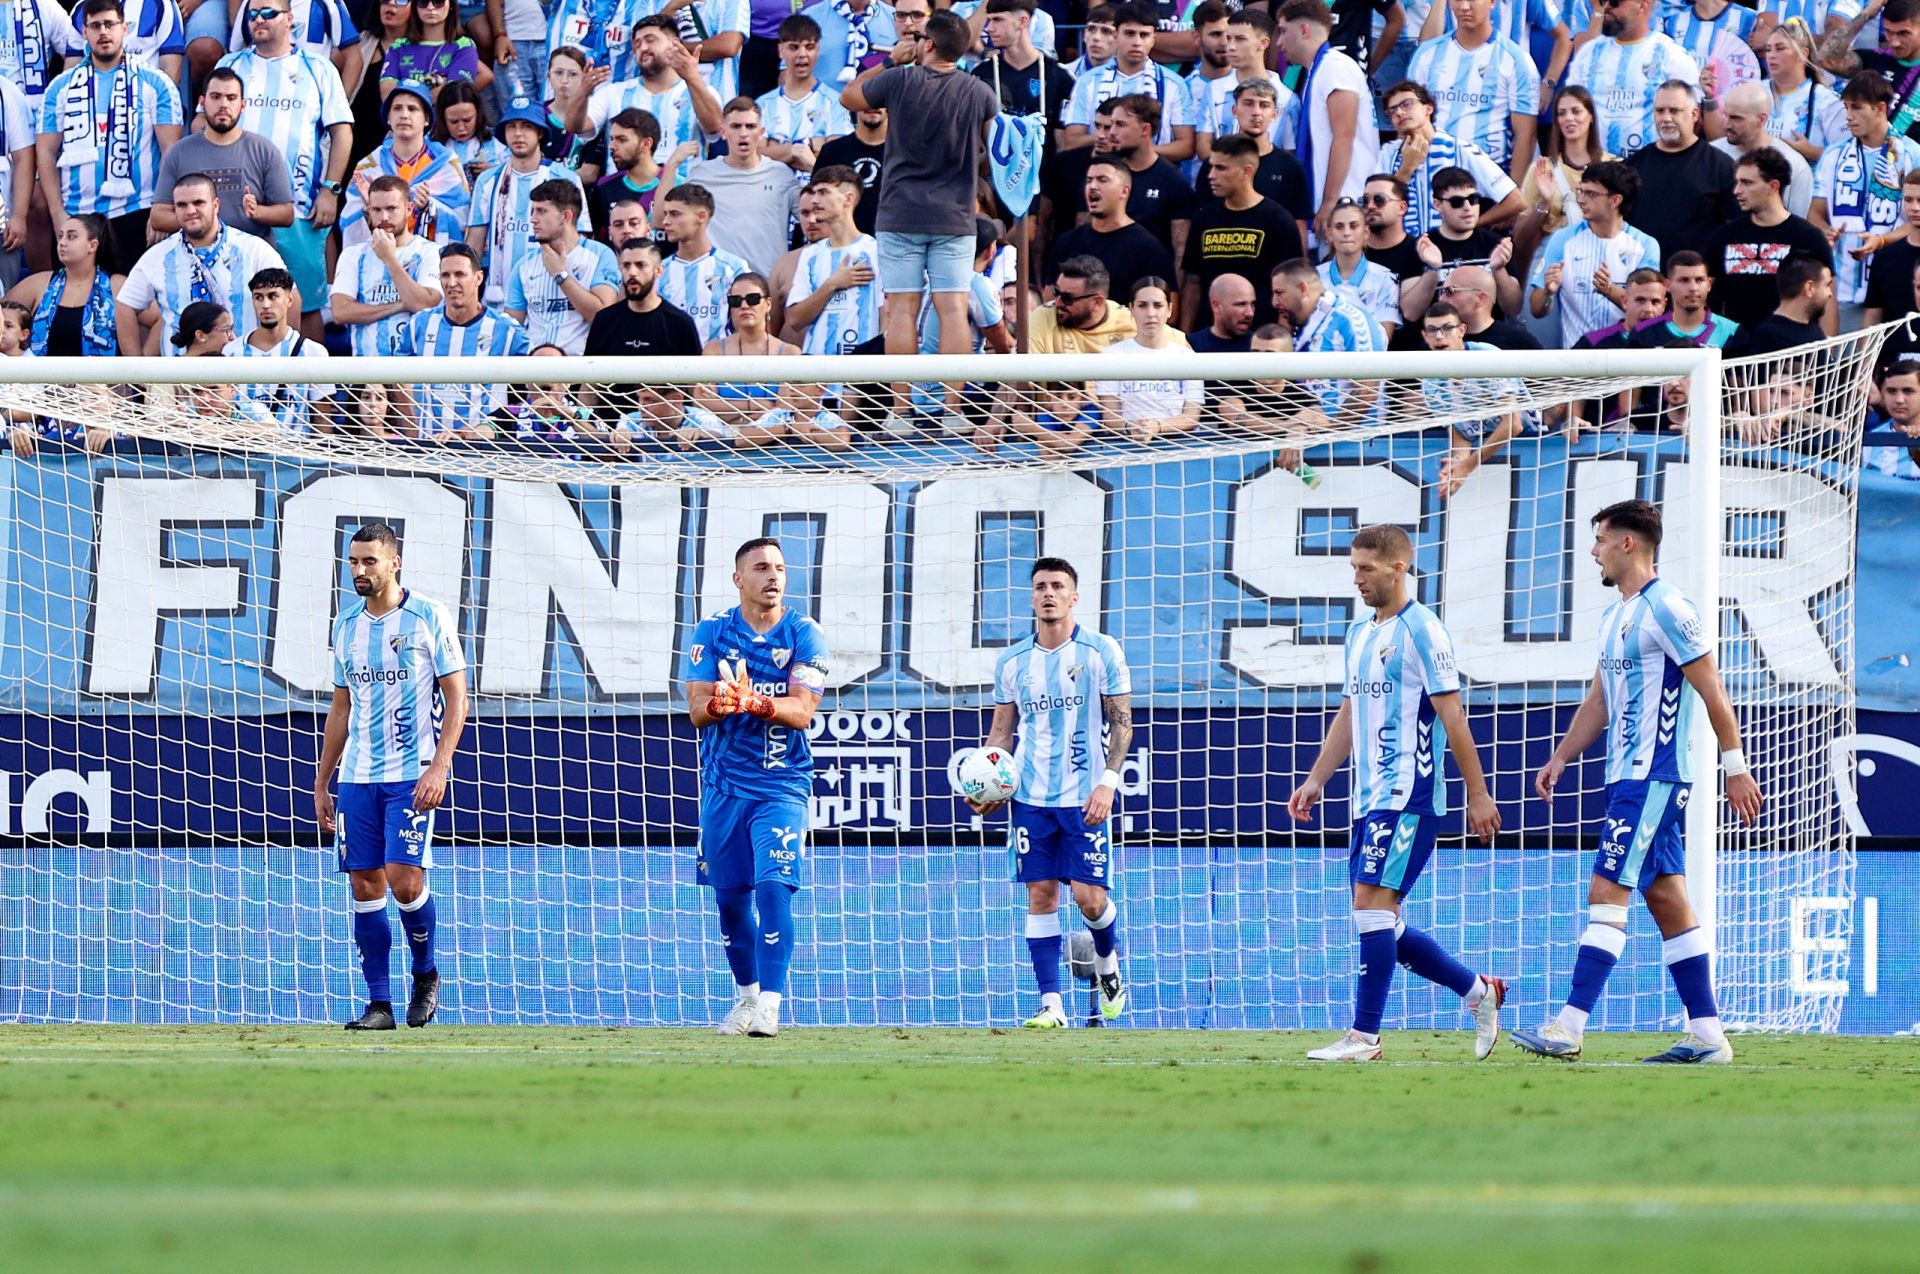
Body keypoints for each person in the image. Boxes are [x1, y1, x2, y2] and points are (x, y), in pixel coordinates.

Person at [1514, 499, 1762, 1065]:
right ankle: (1708, 1038)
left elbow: (1713, 689)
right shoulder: (1613, 616)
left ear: (1628, 544)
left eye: (1600, 539)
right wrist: (1561, 758)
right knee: (1668, 899)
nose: (1593, 550)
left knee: (1607, 892)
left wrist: (1736, 767)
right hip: (1627, 776)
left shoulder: (1670, 608)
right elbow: (1598, 701)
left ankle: (1569, 1027)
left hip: (1655, 775)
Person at [1287, 521, 1504, 1062]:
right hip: (1367, 797)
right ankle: (1478, 991)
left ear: (1398, 568)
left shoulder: (1424, 631)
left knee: (1370, 908)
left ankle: (1365, 1037)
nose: (1356, 579)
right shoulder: (1360, 633)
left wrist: (1478, 793)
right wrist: (1317, 777)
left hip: (1409, 794)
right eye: (1353, 568)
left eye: (1366, 568)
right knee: (1381, 918)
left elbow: (1453, 717)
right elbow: (1351, 711)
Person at [313, 521, 471, 1033]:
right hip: (358, 776)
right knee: (364, 883)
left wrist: (440, 765)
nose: (359, 570)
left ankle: (425, 974)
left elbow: (458, 698)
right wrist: (322, 782)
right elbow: (340, 709)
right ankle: (378, 1004)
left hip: (412, 771)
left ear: (394, 562)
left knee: (404, 880)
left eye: (370, 561)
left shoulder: (428, 616)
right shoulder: (345, 624)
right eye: (354, 561)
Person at [964, 557, 1133, 1029]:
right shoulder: (1013, 661)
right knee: (1041, 895)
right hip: (1031, 799)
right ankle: (1051, 1005)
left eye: (1058, 586)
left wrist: (1108, 783)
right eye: (1040, 587)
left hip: (1085, 797)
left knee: (1090, 899)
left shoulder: (1101, 651)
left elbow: (1122, 724)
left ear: (1074, 596)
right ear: (1032, 597)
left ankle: (1108, 963)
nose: (1049, 594)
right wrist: (986, 781)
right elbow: (1001, 734)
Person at [684, 537, 831, 1039]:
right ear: (738, 579)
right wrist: (724, 704)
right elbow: (697, 710)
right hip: (722, 788)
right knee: (729, 901)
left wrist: (755, 703)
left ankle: (770, 1004)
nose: (773, 576)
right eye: (762, 567)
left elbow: (802, 712)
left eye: (780, 568)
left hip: (781, 785)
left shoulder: (805, 634)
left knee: (773, 888)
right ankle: (746, 999)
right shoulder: (712, 632)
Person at [843, 9, 999, 429]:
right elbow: (992, 142)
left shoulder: (899, 79)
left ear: (927, 44)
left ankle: (901, 411)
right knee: (952, 308)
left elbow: (849, 97)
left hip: (900, 213)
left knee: (901, 311)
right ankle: (951, 411)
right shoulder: (980, 91)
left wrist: (893, 59)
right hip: (955, 214)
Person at [216, 0, 354, 341]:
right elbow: (203, 124)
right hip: (235, 210)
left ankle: (313, 393)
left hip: (299, 208)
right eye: (252, 14)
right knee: (239, 302)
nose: (258, 20)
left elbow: (342, 132)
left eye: (268, 13)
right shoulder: (230, 64)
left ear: (290, 20)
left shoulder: (319, 68)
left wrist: (330, 190)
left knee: (304, 304)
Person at [35, 0, 183, 252]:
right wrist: (57, 213)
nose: (103, 32)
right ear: (84, 33)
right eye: (95, 26)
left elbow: (171, 150)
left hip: (139, 211)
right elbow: (46, 153)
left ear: (125, 29)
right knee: (75, 292)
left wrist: (162, 209)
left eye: (110, 24)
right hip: (76, 214)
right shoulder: (58, 88)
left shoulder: (157, 84)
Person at [116, 172, 285, 356]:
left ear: (216, 205)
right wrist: (135, 371)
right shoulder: (158, 256)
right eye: (181, 205)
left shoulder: (253, 249)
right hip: (180, 380)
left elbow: (289, 297)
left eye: (198, 203)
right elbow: (125, 305)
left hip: (244, 376)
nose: (190, 211)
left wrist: (279, 355)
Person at [396, 242, 532, 439]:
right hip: (429, 449)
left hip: (485, 451)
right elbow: (399, 378)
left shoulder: (507, 330)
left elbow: (530, 387)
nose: (451, 283)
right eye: (445, 275)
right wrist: (411, 430)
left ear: (478, 277)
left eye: (460, 274)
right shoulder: (420, 324)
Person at [1810, 74, 1920, 314]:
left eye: (1857, 108)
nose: (1848, 116)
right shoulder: (1833, 155)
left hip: (1900, 282)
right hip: (1845, 288)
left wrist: (1881, 241)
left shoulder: (1912, 154)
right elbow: (1815, 212)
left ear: (1880, 108)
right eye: (1846, 107)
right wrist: (1826, 230)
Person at [467, 98, 592, 308]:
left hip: (550, 298)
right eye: (511, 127)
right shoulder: (488, 180)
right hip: (498, 299)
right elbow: (474, 245)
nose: (518, 133)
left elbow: (581, 241)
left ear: (540, 133)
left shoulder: (565, 178)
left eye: (526, 126)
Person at [692, 271, 837, 448]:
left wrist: (729, 408)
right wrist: (755, 404)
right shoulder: (713, 350)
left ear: (768, 304)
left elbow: (786, 409)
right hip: (722, 440)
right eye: (736, 301)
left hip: (775, 444)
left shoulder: (789, 353)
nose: (744, 306)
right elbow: (702, 403)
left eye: (752, 299)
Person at [1527, 160, 1662, 348]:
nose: (1581, 200)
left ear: (1616, 200)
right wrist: (1549, 293)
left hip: (1630, 359)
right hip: (1577, 362)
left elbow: (1649, 311)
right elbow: (1536, 309)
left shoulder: (1645, 245)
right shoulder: (1561, 240)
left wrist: (1608, 290)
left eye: (1590, 193)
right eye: (1580, 191)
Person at [580, 236, 703, 441]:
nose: (632, 273)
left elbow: (693, 390)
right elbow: (589, 385)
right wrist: (587, 433)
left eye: (640, 265)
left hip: (666, 442)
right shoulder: (605, 320)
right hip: (612, 438)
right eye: (626, 265)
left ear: (658, 270)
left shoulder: (679, 324)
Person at [1044, 96, 1195, 262]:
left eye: (1120, 125)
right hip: (1098, 277)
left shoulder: (1173, 181)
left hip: (1149, 281)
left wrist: (1174, 288)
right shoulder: (1100, 172)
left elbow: (1180, 248)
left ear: (1145, 130)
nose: (1112, 132)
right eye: (1112, 124)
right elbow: (1083, 233)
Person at [1405, 0, 1539, 187]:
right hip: (1431, 174)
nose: (1464, 7)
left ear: (1492, 2)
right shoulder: (1426, 54)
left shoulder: (1517, 60)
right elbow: (1408, 122)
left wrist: (1512, 194)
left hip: (1489, 179)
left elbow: (1526, 134)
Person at [150, 68, 295, 241]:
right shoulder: (179, 152)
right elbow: (158, 217)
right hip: (195, 257)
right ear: (202, 102)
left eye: (231, 98)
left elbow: (287, 214)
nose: (224, 105)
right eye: (215, 97)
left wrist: (258, 211)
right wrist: (200, 220)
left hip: (252, 257)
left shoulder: (265, 150)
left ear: (243, 104)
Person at [1276, 0, 1380, 238]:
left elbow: (1343, 135)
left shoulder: (1335, 67)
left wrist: (1330, 200)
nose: (1279, 42)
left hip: (1346, 200)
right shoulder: (1320, 68)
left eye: (1283, 31)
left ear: (1303, 30)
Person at [574, 16, 723, 180]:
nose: (642, 47)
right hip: (624, 199)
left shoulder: (701, 91)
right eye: (637, 44)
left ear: (674, 44)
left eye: (650, 40)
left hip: (682, 197)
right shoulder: (614, 93)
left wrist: (693, 78)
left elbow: (715, 128)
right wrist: (582, 93)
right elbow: (577, 127)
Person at [1181, 134, 1303, 330]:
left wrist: (1281, 342)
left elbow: (1289, 290)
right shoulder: (1204, 218)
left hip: (1258, 339)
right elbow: (1193, 281)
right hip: (1208, 338)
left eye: (1221, 168)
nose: (1211, 175)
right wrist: (1184, 339)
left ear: (1246, 171)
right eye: (1211, 166)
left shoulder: (1279, 221)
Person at [1702, 148, 1832, 330]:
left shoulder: (1808, 237)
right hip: (1736, 348)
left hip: (1788, 350)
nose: (1737, 190)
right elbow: (1706, 292)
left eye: (1747, 183)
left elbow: (1826, 297)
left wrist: (1828, 349)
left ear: (1773, 186)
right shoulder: (1724, 236)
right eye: (1737, 182)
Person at [341, 79, 473, 246]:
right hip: (379, 259)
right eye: (397, 108)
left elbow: (464, 219)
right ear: (388, 117)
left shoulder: (446, 163)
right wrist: (370, 207)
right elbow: (349, 224)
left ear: (426, 118)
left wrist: (430, 206)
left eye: (412, 109)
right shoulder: (369, 167)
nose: (404, 115)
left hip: (432, 264)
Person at [1379, 81, 1522, 235]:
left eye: (1406, 104)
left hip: (1449, 254)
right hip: (1404, 252)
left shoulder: (1461, 150)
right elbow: (1377, 207)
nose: (1399, 113)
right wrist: (1406, 169)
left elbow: (1515, 201)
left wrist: (1467, 229)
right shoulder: (1388, 153)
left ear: (1428, 108)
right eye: (1392, 111)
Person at [1562, 0, 1701, 158]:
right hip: (1594, 171)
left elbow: (1690, 121)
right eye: (1603, 1)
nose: (1606, 6)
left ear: (1642, 6)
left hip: (1650, 169)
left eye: (1615, 2)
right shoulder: (1588, 53)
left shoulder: (1673, 56)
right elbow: (1568, 108)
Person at [1062, 2, 1196, 162]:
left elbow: (1186, 146)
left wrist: (1139, 149)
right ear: (1116, 35)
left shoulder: (1174, 84)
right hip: (1101, 171)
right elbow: (1072, 141)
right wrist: (1112, 141)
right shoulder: (1088, 81)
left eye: (1144, 35)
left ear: (1153, 39)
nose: (1137, 42)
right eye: (1129, 33)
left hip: (1154, 177)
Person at [332, 173, 444, 360]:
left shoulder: (430, 252)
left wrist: (390, 259)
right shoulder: (353, 254)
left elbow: (425, 305)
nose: (384, 217)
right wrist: (401, 305)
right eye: (376, 210)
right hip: (366, 374)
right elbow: (341, 312)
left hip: (417, 372)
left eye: (392, 209)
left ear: (409, 209)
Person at [1624, 80, 1737, 266]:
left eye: (1674, 111)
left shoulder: (1721, 167)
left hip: (1695, 285)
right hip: (1643, 282)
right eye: (1660, 111)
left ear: (1694, 114)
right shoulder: (1633, 166)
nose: (1666, 118)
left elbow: (1735, 229)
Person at [686, 98, 803, 274]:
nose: (743, 133)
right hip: (716, 284)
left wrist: (814, 166)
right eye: (735, 126)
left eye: (750, 126)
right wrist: (672, 166)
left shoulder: (781, 175)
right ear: (723, 132)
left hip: (766, 286)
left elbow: (815, 219)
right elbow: (670, 221)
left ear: (761, 132)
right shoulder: (701, 175)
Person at [503, 177, 619, 354]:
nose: (533, 219)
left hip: (582, 373)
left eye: (541, 211)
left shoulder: (600, 256)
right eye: (533, 211)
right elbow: (511, 328)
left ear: (566, 216)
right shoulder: (523, 266)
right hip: (534, 373)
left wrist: (561, 276)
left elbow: (602, 318)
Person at [1513, 86, 1616, 281]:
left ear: (1591, 116)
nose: (1569, 118)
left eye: (1576, 111)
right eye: (1562, 113)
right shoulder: (1542, 168)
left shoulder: (1613, 167)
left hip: (1601, 260)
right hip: (1552, 260)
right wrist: (1543, 203)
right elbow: (1519, 237)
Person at [782, 163, 882, 363]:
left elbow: (887, 315)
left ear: (848, 199)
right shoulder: (810, 256)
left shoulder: (876, 251)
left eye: (824, 193)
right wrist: (832, 284)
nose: (815, 201)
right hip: (818, 376)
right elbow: (794, 320)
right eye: (814, 193)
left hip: (864, 375)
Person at [1398, 165, 1521, 322]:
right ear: (1437, 205)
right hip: (1437, 339)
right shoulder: (1420, 246)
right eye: (1457, 202)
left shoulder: (1497, 243)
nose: (1467, 207)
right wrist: (1433, 270)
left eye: (1473, 199)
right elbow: (1411, 313)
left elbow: (1513, 308)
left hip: (1488, 341)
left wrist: (1499, 270)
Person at [1050, 156, 1178, 307]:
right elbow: (1049, 298)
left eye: (1102, 180)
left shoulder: (1149, 248)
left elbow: (1170, 309)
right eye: (1089, 180)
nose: (1093, 186)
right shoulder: (1067, 241)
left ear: (1124, 191)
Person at [225, 266, 335, 434]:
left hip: (295, 456)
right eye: (258, 297)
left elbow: (323, 418)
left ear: (290, 300)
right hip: (243, 455)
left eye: (273, 296)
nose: (266, 305)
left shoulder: (313, 352)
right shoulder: (231, 352)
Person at [1271, 255, 1384, 417]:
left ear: (1303, 289)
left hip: (1354, 439)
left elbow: (1367, 391)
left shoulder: (1350, 320)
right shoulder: (1297, 326)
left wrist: (1328, 429)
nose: (1274, 302)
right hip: (1307, 435)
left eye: (1279, 293)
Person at [1094, 277, 1199, 441]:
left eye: (1158, 305)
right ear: (1131, 309)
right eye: (1142, 305)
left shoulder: (1187, 357)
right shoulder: (1111, 357)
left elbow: (1191, 417)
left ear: (1170, 310)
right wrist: (1131, 428)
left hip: (1178, 446)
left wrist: (1157, 426)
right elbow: (1110, 417)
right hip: (1126, 447)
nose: (1151, 313)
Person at [4, 212, 122, 356]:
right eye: (60, 236)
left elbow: (156, 319)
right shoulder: (38, 283)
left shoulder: (116, 285)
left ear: (92, 245)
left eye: (71, 236)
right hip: (42, 377)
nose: (62, 242)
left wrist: (143, 360)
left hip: (101, 377)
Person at [972, 0, 1076, 155]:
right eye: (989, 20)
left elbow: (1063, 145)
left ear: (1022, 22)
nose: (989, 28)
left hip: (1045, 175)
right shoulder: (980, 75)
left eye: (998, 20)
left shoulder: (1060, 77)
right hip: (995, 175)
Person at [753, 15, 851, 177]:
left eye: (809, 47)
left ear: (818, 50)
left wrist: (775, 149)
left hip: (817, 194)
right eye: (794, 47)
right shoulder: (763, 104)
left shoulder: (835, 102)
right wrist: (803, 149)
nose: (802, 54)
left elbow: (836, 160)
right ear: (781, 50)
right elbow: (754, 156)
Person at [656, 181, 753, 345]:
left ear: (701, 216)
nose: (665, 221)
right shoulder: (658, 271)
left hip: (719, 366)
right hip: (671, 367)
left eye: (674, 214)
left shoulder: (734, 268)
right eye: (665, 214)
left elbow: (752, 324)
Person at [1195, 11, 1297, 162]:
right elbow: (1203, 145)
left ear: (1263, 43)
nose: (1230, 47)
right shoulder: (1213, 89)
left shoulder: (1287, 99)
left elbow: (1291, 153)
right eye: (1229, 38)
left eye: (1240, 39)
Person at [1823, 0, 1920, 145]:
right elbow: (1827, 59)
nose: (1894, 42)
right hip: (1873, 162)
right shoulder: (1876, 60)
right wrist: (1866, 14)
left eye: (1903, 33)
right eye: (1888, 32)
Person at [1317, 196, 1400, 339]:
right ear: (1329, 234)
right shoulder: (1314, 277)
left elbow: (1384, 338)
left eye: (1354, 226)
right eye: (1339, 226)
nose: (1347, 233)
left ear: (1366, 232)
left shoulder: (1386, 279)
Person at [1764, 18, 1843, 167]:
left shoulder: (1825, 100)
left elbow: (1846, 155)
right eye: (1768, 49)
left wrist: (1813, 152)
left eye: (1780, 48)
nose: (1771, 55)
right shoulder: (1754, 91)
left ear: (1803, 53)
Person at [1723, 253, 1831, 358]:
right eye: (1827, 285)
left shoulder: (1815, 331)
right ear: (1809, 288)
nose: (1830, 294)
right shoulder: (1767, 336)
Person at [380, 0, 489, 98]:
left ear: (451, 5)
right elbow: (387, 94)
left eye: (438, 1)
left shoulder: (464, 46)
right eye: (423, 2)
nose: (430, 7)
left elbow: (453, 93)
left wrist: (408, 95)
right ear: (415, 7)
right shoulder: (398, 46)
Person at [588, 108, 669, 232]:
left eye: (622, 140)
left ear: (647, 143)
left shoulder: (676, 185)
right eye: (612, 139)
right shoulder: (604, 187)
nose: (612, 146)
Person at [1634, 250, 1737, 347]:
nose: (1693, 288)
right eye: (1684, 280)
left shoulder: (1731, 333)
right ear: (1667, 285)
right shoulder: (1643, 334)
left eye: (1699, 280)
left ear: (1709, 285)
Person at [815, 102, 885, 234]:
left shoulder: (904, 153)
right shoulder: (832, 151)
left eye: (881, 98)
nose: (874, 104)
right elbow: (817, 202)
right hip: (840, 245)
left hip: (892, 247)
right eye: (867, 98)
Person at [1863, 169, 1920, 328]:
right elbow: (1872, 319)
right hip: (1892, 350)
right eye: (1908, 200)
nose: (1914, 207)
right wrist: (1867, 353)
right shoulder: (1886, 257)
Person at [1440, 262, 1540, 348]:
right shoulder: (1436, 340)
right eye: (1442, 292)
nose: (1441, 298)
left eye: (1450, 291)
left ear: (1480, 299)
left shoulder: (1519, 342)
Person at [800, 0, 896, 90]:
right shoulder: (810, 18)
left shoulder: (897, 18)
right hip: (821, 106)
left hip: (881, 105)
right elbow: (789, 74)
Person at [437, 80, 510, 187]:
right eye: (454, 121)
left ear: (478, 114)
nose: (461, 128)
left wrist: (493, 172)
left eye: (467, 120)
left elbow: (516, 180)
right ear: (442, 119)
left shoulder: (499, 144)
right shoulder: (430, 147)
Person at [1189, 272, 1255, 351]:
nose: (1250, 313)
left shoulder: (1261, 347)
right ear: (1216, 306)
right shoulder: (1190, 347)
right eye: (1241, 304)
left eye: (1252, 304)